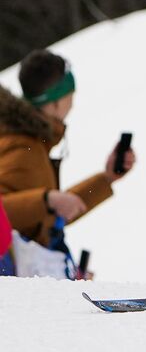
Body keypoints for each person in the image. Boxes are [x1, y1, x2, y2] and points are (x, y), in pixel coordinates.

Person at [0, 49, 137, 275]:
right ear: (55, 104)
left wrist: (106, 179)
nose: (72, 104)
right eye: (70, 97)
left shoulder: (30, 141)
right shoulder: (23, 147)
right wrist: (46, 200)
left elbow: (48, 215)